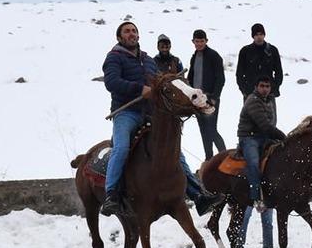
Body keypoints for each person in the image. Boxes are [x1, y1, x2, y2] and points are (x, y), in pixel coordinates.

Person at [99, 21, 220, 218]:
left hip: (149, 113)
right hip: (126, 112)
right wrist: (140, 89)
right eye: (127, 31)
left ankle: (198, 195)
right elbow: (112, 82)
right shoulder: (114, 57)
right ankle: (111, 195)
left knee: (174, 152)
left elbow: (159, 81)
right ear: (120, 37)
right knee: (121, 148)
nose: (132, 34)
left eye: (134, 31)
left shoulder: (147, 60)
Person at [236, 75, 286, 248]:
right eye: (262, 85)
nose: (265, 88)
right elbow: (265, 125)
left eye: (267, 86)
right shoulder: (253, 100)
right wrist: (283, 136)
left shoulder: (270, 100)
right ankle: (256, 196)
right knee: (253, 163)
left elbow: (270, 123)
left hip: (264, 137)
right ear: (256, 86)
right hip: (249, 137)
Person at [187, 29, 227, 160]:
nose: (199, 44)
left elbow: (220, 79)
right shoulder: (194, 57)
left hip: (210, 98)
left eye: (201, 41)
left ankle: (224, 156)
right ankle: (209, 158)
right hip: (197, 99)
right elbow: (190, 77)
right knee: (203, 131)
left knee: (211, 129)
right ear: (193, 42)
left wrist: (215, 97)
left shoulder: (214, 56)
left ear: (206, 41)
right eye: (197, 41)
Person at [236, 23, 283, 100]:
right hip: (250, 92)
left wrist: (274, 87)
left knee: (269, 112)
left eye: (261, 34)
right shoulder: (245, 51)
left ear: (264, 35)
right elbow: (239, 73)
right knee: (250, 112)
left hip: (268, 93)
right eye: (256, 35)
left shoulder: (272, 50)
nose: (259, 37)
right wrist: (244, 89)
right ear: (253, 36)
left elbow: (279, 72)